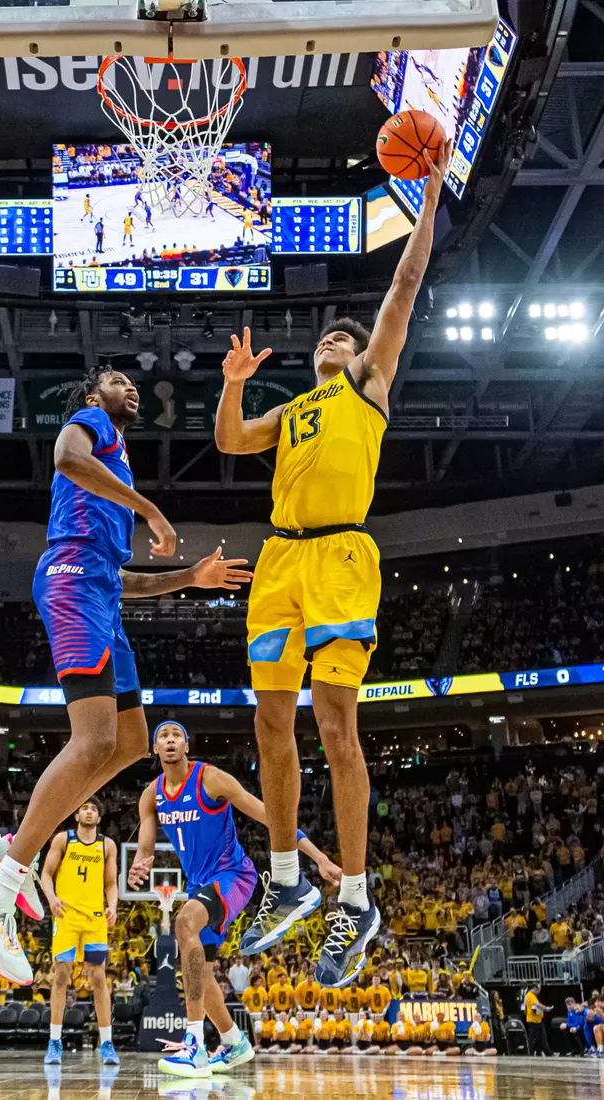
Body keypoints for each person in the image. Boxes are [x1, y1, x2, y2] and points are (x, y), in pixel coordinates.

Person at [213, 138, 454, 986]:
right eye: (323, 339)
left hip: (342, 560)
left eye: (339, 340)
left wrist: (425, 194)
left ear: (359, 359)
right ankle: (285, 882)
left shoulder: (364, 385)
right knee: (268, 725)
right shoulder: (293, 408)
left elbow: (403, 285)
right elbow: (230, 440)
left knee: (333, 725)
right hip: (278, 564)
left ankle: (353, 893)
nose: (329, 342)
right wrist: (237, 379)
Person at [0, 368, 253, 988]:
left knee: (128, 741)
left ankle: (16, 846)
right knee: (90, 741)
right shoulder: (90, 428)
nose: (133, 387)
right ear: (95, 396)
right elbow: (64, 458)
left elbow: (124, 580)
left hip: (101, 592)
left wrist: (188, 580)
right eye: (119, 379)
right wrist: (148, 509)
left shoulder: (114, 469)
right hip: (71, 581)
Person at [129, 720, 340, 1077]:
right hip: (200, 885)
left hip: (233, 876)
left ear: (186, 746)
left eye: (175, 735)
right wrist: (139, 864)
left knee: (183, 923)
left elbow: (270, 816)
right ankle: (233, 1042)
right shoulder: (152, 794)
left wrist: (318, 857)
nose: (168, 740)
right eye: (162, 736)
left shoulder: (210, 779)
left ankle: (194, 1046)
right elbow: (146, 847)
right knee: (202, 974)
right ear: (154, 750)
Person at [39, 797, 120, 1067]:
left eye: (94, 809)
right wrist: (51, 899)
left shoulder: (107, 845)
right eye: (84, 807)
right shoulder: (64, 839)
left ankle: (106, 1043)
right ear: (76, 814)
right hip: (67, 916)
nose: (88, 811)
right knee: (61, 975)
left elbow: (110, 883)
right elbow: (46, 874)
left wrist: (113, 906)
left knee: (99, 978)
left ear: (99, 818)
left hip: (95, 918)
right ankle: (54, 1042)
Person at [525, 982, 553, 1056]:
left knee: (542, 1037)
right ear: (534, 988)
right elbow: (537, 1004)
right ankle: (530, 1053)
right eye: (538, 989)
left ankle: (547, 1052)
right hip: (533, 1021)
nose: (539, 991)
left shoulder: (532, 995)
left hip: (537, 1020)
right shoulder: (530, 995)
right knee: (532, 1038)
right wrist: (546, 1008)